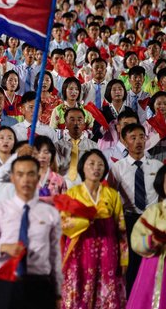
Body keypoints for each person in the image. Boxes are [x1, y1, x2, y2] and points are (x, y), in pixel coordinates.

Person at [0, 155, 62, 309]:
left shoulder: (50, 213)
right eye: (20, 174)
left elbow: (55, 256)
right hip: (8, 282)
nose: (25, 179)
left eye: (30, 174)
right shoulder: (0, 210)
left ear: (38, 177)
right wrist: (3, 248)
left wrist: (58, 291)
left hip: (41, 284)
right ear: (12, 177)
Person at [59, 149, 127, 308]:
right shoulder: (72, 193)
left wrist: (124, 258)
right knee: (79, 289)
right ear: (82, 167)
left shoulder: (112, 195)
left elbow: (121, 228)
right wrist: (85, 219)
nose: (96, 168)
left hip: (107, 249)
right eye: (91, 164)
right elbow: (63, 223)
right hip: (80, 250)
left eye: (100, 164)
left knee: (106, 291)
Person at [108, 123, 163, 291]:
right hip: (130, 221)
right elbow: (110, 197)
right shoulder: (118, 168)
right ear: (124, 141)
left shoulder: (157, 166)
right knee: (132, 267)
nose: (139, 141)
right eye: (133, 138)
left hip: (153, 222)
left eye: (142, 137)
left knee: (154, 265)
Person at [127, 164, 166, 308]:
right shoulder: (154, 211)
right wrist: (151, 241)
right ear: (162, 185)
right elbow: (136, 238)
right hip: (156, 266)